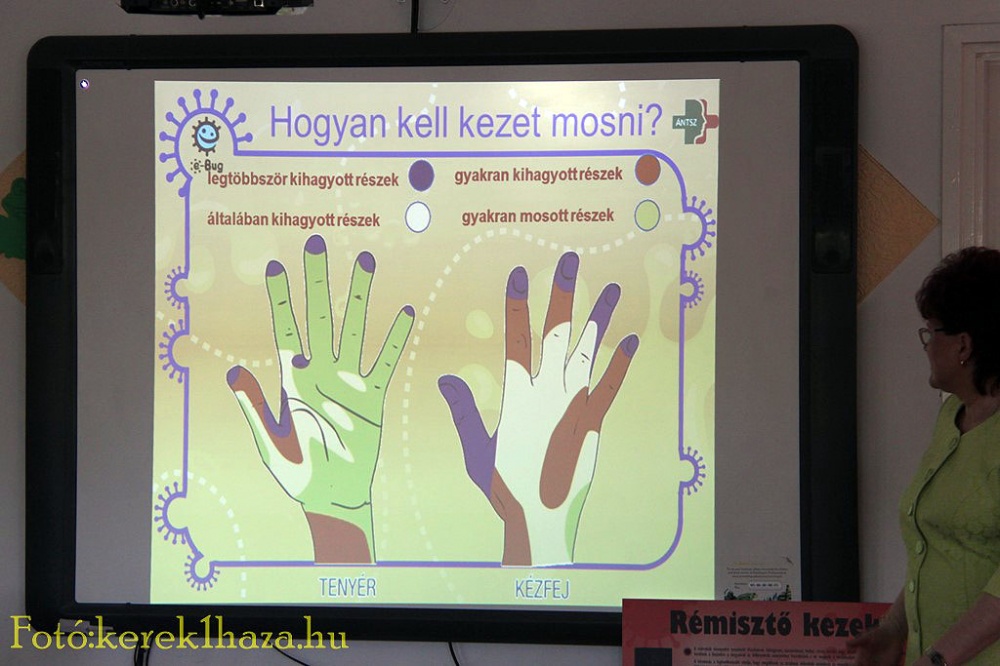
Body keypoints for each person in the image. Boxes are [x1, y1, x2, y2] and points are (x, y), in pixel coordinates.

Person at [849, 246, 1000, 665]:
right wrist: (892, 630)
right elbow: (937, 547)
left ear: (963, 345)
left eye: (931, 333)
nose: (927, 345)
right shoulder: (952, 415)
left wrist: (938, 660)